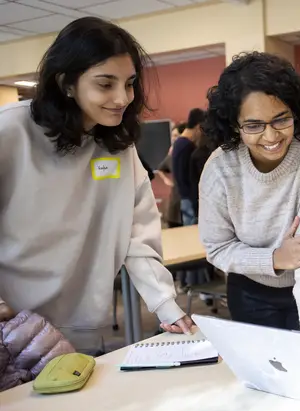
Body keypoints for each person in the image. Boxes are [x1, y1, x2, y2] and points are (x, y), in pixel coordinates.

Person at [0, 17, 193, 353]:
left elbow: (137, 234)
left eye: (129, 83)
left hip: (80, 326)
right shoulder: (10, 133)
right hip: (11, 327)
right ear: (67, 83)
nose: (122, 98)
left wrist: (166, 306)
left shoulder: (118, 145)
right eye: (105, 84)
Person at [199, 51, 300, 335]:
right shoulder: (219, 168)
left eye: (280, 119)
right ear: (234, 124)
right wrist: (276, 258)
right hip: (252, 293)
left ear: (296, 112)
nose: (271, 136)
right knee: (264, 378)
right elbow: (217, 248)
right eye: (253, 125)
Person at [173, 108, 205, 226]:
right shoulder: (187, 146)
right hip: (189, 199)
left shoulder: (178, 143)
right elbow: (188, 177)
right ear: (198, 126)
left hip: (184, 197)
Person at [156, 121, 186, 228]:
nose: (173, 138)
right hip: (176, 198)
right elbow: (160, 168)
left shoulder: (187, 152)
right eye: (172, 136)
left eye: (176, 135)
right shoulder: (171, 154)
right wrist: (166, 180)